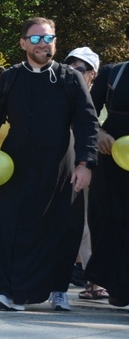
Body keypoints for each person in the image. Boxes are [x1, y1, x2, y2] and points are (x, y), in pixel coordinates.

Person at [0, 18, 99, 312]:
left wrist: (85, 163)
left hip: (61, 165)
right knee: (6, 222)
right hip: (16, 165)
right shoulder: (11, 78)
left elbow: (87, 123)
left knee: (61, 227)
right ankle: (7, 291)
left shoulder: (69, 78)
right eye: (35, 39)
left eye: (47, 38)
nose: (42, 44)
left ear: (55, 42)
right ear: (23, 43)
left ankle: (58, 288)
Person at [84, 48, 129, 307]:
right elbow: (86, 112)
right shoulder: (114, 72)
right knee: (109, 221)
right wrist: (99, 133)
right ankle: (117, 286)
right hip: (112, 158)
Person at [62, 47, 100, 294]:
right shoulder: (62, 92)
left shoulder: (103, 96)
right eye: (71, 67)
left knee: (89, 220)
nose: (75, 71)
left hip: (90, 163)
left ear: (93, 74)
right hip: (64, 161)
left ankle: (94, 278)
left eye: (81, 68)